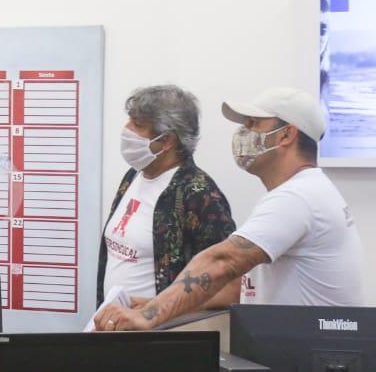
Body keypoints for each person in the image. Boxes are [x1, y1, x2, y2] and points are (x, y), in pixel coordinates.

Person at [95, 87, 363, 332]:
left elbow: (223, 262)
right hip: (300, 348)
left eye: (253, 124)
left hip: (310, 354)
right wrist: (156, 303)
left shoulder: (297, 198)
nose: (243, 133)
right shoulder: (300, 192)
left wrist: (149, 315)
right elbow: (236, 285)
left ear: (286, 135)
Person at [97, 85, 237, 306]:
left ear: (168, 140)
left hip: (160, 333)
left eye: (138, 125)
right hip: (113, 328)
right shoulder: (133, 176)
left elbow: (227, 284)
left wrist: (156, 309)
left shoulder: (199, 194)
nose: (126, 129)